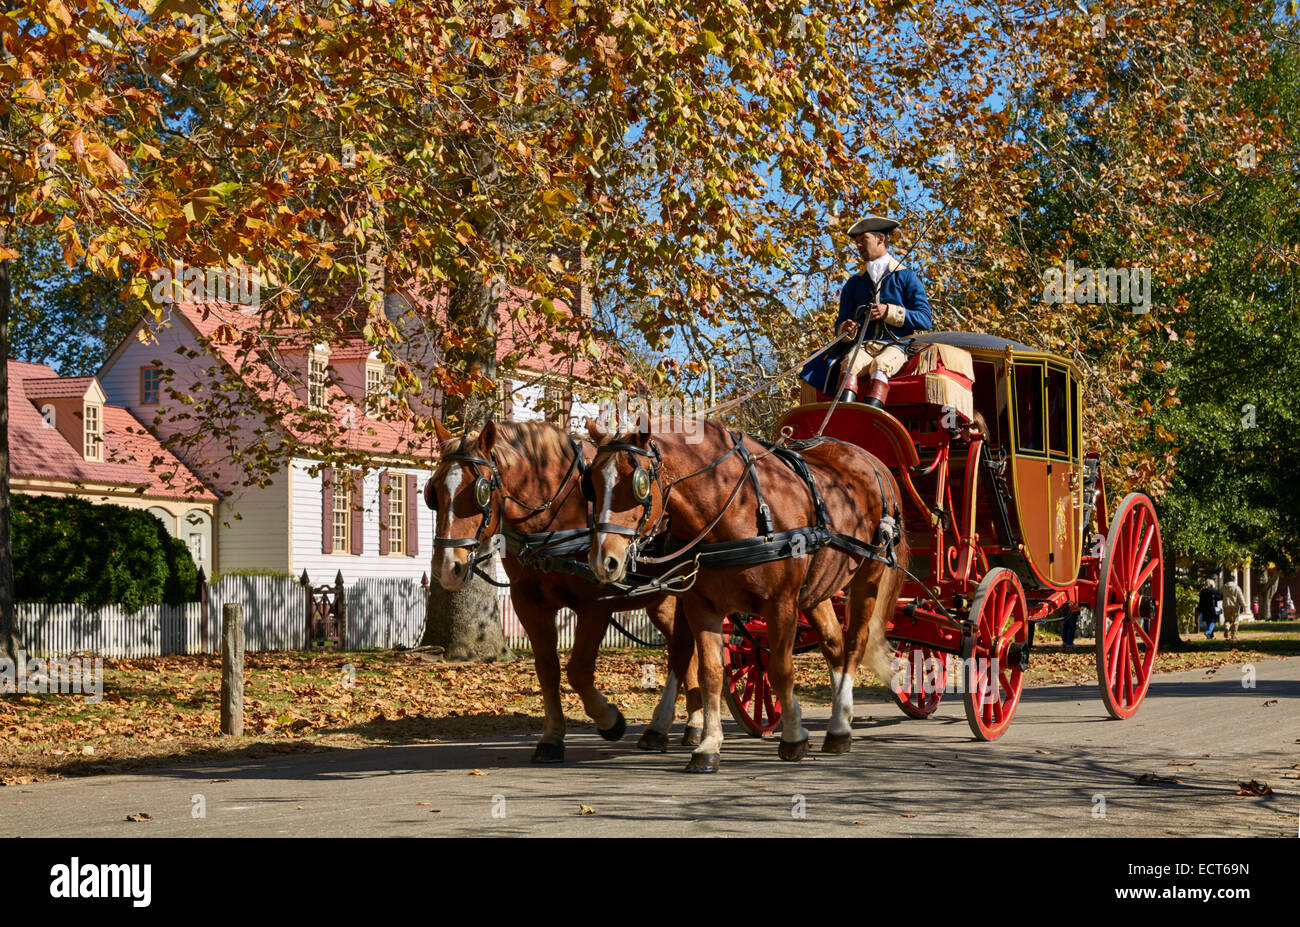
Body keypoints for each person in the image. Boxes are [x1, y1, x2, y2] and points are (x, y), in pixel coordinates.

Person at [800, 215, 932, 408]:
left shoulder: (906, 277)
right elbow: (841, 322)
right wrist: (846, 328)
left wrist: (889, 311)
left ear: (880, 239)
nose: (858, 246)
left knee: (881, 365)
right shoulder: (854, 284)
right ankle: (846, 411)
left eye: (864, 240)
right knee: (849, 364)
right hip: (864, 345)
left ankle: (873, 414)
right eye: (857, 242)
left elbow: (924, 319)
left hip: (896, 346)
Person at [1221, 576, 1248, 642]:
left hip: (1226, 605)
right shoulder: (1237, 587)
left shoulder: (1223, 587)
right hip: (1235, 606)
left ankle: (1227, 627)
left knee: (1227, 619)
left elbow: (1220, 594)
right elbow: (1240, 597)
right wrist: (1244, 606)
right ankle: (1233, 635)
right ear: (1234, 580)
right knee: (1235, 620)